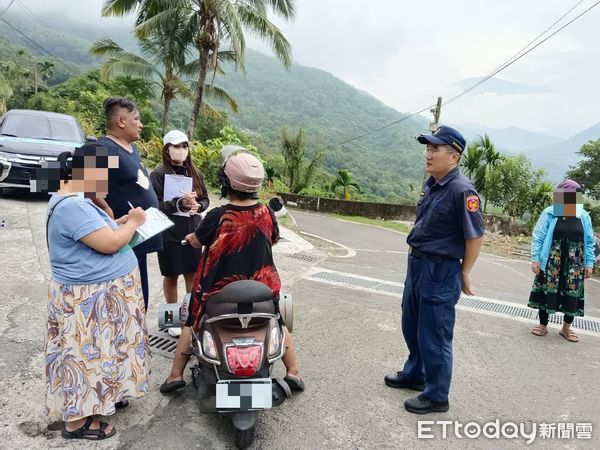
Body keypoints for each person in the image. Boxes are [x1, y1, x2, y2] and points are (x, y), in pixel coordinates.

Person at [159, 149, 304, 393]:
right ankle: (293, 373)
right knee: (278, 321)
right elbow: (274, 239)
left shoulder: (218, 215)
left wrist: (192, 238)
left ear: (227, 182)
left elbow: (197, 240)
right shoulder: (266, 212)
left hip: (219, 293)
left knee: (191, 320)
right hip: (262, 292)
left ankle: (175, 376)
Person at [45, 143, 150, 441]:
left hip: (95, 296)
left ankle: (108, 395)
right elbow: (110, 244)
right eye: (105, 175)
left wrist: (114, 219)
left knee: (101, 354)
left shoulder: (76, 198)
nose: (108, 182)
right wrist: (135, 222)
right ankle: (78, 423)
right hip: (86, 301)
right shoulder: (72, 205)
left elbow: (97, 233)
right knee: (84, 357)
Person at [384, 125, 484, 414]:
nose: (428, 154)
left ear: (454, 157)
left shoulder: (462, 190)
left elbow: (475, 236)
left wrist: (465, 272)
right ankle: (416, 374)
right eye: (427, 148)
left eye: (435, 149)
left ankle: (438, 395)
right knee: (412, 323)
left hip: (440, 270)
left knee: (435, 334)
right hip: (417, 263)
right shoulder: (433, 184)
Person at [93, 97, 162, 310]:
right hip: (121, 241)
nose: (141, 125)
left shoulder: (131, 150)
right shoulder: (102, 149)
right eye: (137, 119)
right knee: (123, 298)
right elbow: (79, 189)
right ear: (121, 121)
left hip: (138, 240)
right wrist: (105, 208)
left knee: (140, 294)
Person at [150, 130, 209, 338]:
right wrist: (177, 203)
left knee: (192, 275)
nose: (181, 150)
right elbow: (153, 206)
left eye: (184, 146)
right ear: (167, 149)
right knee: (170, 275)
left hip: (192, 232)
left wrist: (197, 206)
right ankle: (170, 320)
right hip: (168, 233)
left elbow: (205, 200)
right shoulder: (157, 175)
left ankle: (191, 316)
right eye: (176, 146)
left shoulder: (194, 172)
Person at [528, 179, 595, 342]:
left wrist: (589, 263)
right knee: (546, 291)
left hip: (575, 263)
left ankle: (566, 328)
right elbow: (538, 236)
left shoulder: (583, 215)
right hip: (552, 260)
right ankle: (543, 324)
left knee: (572, 292)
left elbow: (589, 240)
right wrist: (535, 258)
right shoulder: (550, 212)